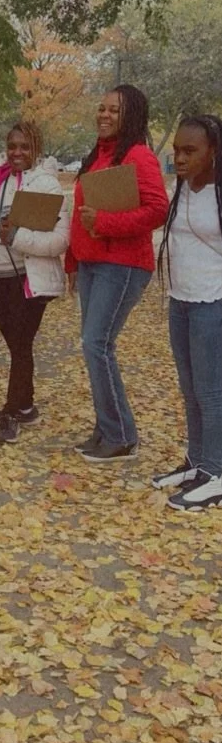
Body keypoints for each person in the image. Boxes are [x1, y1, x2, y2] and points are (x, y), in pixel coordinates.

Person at [67, 84, 169, 462]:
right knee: (94, 345)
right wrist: (72, 260)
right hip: (94, 261)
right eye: (102, 108)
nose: (104, 115)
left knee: (97, 344)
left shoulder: (140, 156)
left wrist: (106, 223)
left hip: (124, 264)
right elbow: (82, 216)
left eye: (114, 110)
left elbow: (158, 210)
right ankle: (107, 428)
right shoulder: (98, 156)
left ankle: (121, 436)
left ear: (132, 116)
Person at [0, 121, 70, 443]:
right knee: (17, 344)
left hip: (28, 279)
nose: (17, 152)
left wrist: (18, 236)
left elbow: (60, 240)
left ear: (37, 150)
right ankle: (27, 405)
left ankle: (11, 411)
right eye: (13, 146)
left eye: (25, 147)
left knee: (20, 345)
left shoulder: (46, 185)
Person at [153, 114, 222, 511]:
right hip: (181, 300)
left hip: (213, 303)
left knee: (212, 393)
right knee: (190, 388)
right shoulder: (181, 189)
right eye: (177, 150)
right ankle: (197, 462)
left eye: (189, 151)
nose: (179, 158)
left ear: (213, 152)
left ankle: (215, 472)